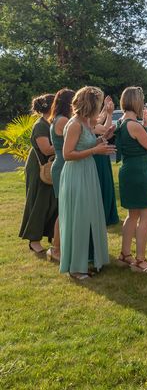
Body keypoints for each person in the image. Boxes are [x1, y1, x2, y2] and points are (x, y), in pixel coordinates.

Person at [59, 87, 115, 279]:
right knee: (79, 219)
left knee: (90, 216)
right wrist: (94, 151)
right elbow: (67, 155)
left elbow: (85, 145)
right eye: (98, 103)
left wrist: (101, 139)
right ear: (91, 104)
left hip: (87, 172)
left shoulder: (86, 122)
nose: (100, 107)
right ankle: (75, 268)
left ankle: (86, 260)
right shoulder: (75, 124)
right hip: (76, 174)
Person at [114, 86, 147, 272]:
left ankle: (125, 255)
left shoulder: (122, 122)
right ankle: (140, 261)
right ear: (137, 102)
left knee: (132, 214)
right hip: (139, 172)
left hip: (128, 170)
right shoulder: (134, 124)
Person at [19, 94, 57, 256]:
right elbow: (46, 149)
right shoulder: (40, 125)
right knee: (38, 203)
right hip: (39, 168)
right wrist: (67, 142)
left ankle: (52, 236)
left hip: (51, 167)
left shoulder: (50, 123)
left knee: (52, 203)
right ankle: (33, 241)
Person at [48, 88, 75, 262]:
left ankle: (61, 245)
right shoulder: (64, 120)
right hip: (63, 166)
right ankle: (55, 249)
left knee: (65, 209)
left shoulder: (56, 119)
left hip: (61, 164)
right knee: (64, 210)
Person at [93, 96, 119, 226]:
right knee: (101, 185)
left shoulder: (88, 120)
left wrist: (105, 107)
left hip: (101, 155)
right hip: (96, 156)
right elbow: (104, 130)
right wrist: (109, 114)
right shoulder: (85, 121)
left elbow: (98, 119)